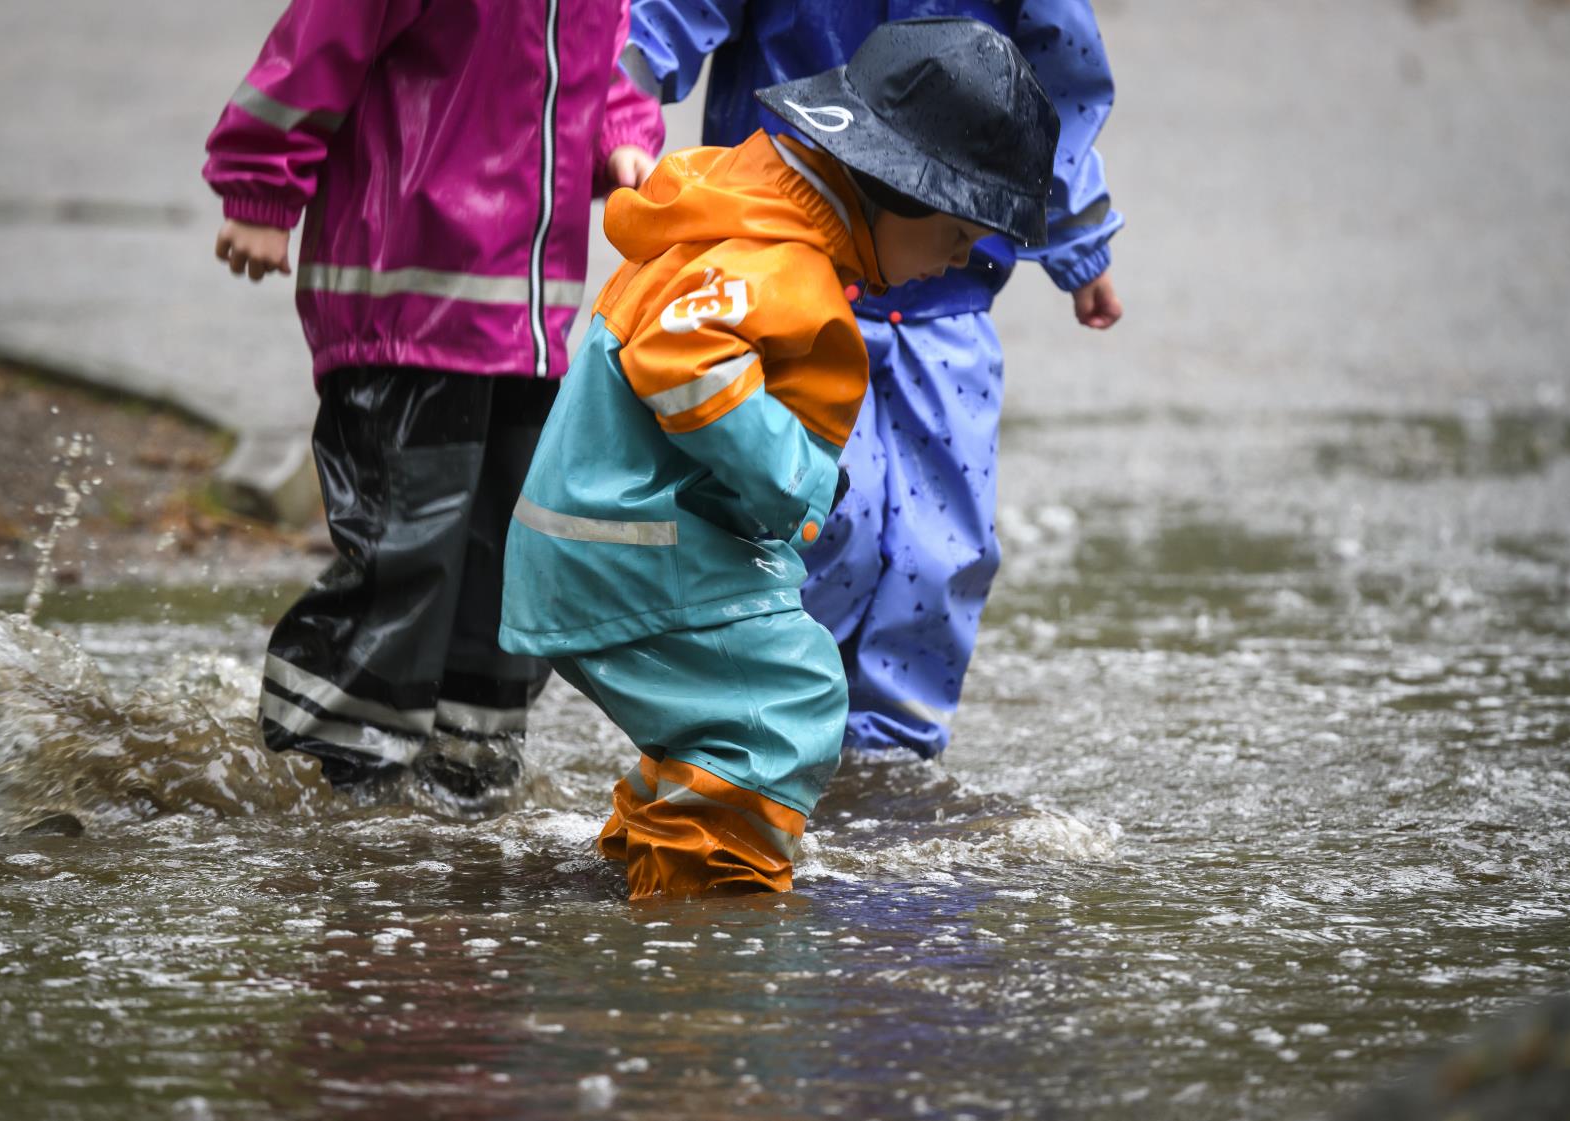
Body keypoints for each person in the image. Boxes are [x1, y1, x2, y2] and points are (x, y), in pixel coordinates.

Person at [498, 18, 1063, 896]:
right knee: (791, 695)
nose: (959, 261)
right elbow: (680, 355)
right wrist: (798, 481)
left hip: (615, 532)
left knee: (730, 714)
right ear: (900, 191)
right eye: (959, 237)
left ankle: (659, 851)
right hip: (628, 546)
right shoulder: (783, 260)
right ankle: (711, 907)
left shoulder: (755, 207)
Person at [625, 0, 1124, 759]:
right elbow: (672, 14)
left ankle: (893, 758)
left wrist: (1078, 234)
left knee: (947, 548)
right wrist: (626, 98)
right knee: (814, 524)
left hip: (950, 296)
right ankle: (773, 730)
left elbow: (1055, 77)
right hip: (801, 265)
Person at [201, 0, 665, 792]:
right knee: (406, 550)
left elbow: (600, 65)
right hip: (404, 302)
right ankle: (337, 764)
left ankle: (467, 764)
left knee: (514, 555)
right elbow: (314, 46)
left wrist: (624, 135)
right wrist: (261, 184)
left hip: (525, 324)